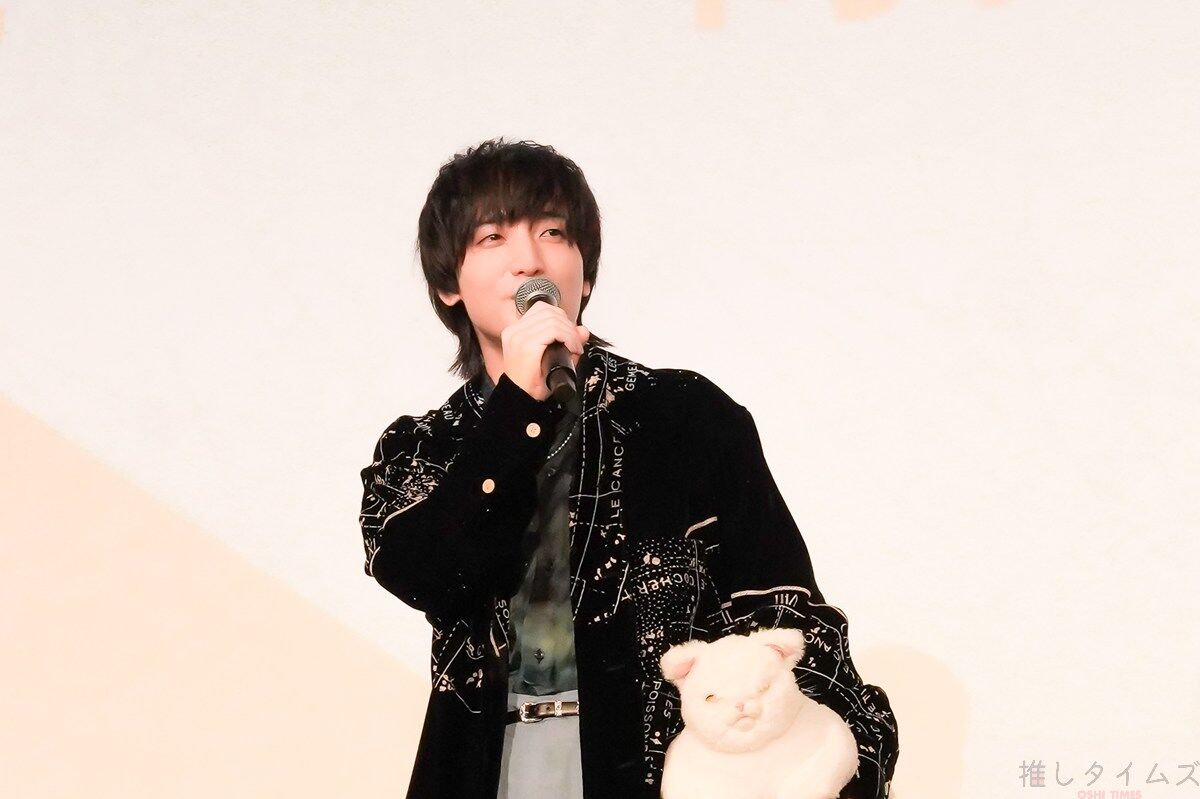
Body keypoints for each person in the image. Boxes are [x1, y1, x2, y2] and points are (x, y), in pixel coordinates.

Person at [358, 137, 899, 799]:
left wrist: (830, 761)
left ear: (584, 275)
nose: (528, 259)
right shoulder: (422, 448)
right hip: (486, 769)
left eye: (552, 232)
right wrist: (517, 410)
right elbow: (426, 573)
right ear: (449, 285)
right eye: (492, 237)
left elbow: (783, 613)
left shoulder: (684, 414)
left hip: (654, 770)